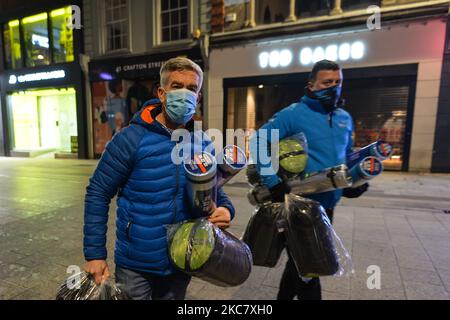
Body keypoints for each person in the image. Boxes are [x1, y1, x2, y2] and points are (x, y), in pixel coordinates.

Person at [83, 57, 235, 300]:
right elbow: (98, 193)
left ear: (198, 98)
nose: (185, 93)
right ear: (162, 93)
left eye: (192, 88)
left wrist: (226, 209)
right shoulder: (130, 139)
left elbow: (212, 187)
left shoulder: (202, 141)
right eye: (177, 86)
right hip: (136, 263)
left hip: (182, 256)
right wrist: (95, 255)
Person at [251, 59, 368, 300]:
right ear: (312, 86)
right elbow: (259, 141)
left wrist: (353, 182)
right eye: (327, 82)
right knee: (311, 267)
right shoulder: (294, 114)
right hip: (300, 205)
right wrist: (272, 182)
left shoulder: (344, 117)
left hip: (328, 205)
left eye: (338, 82)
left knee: (300, 265)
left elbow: (347, 155)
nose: (333, 87)